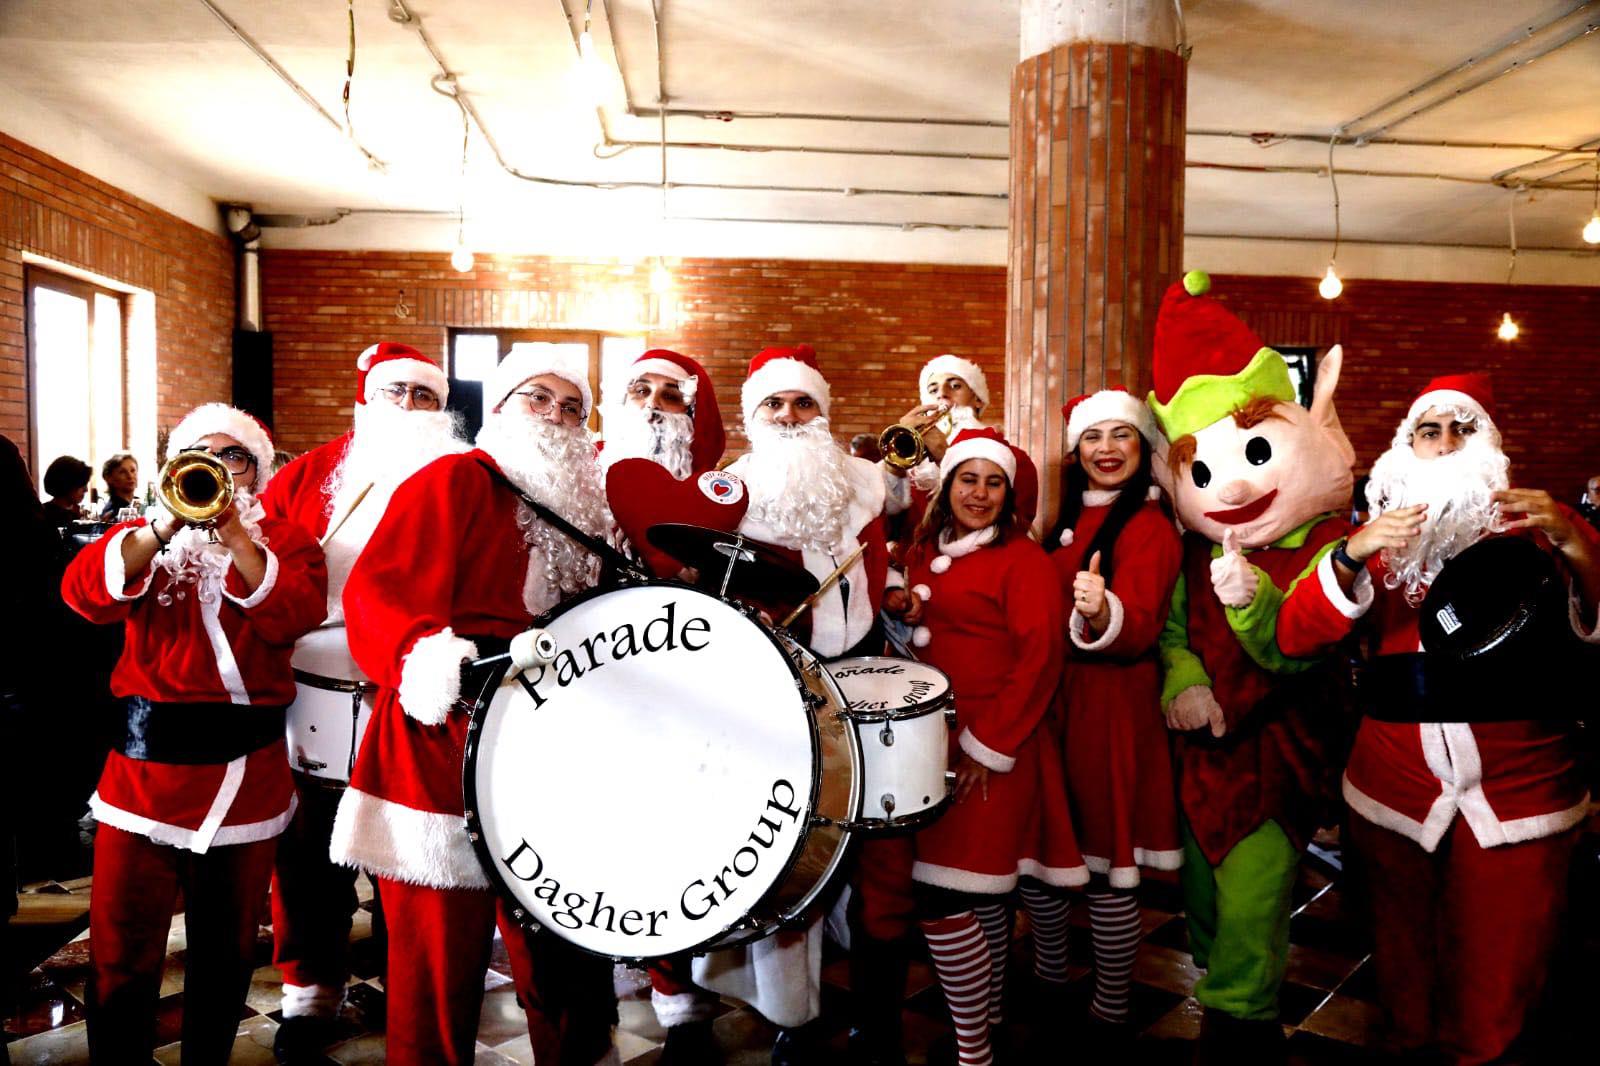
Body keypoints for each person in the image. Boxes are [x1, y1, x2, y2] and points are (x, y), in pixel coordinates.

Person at [1275, 373, 1600, 1063]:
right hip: (1392, 789)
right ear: (1408, 448)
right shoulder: (1377, 539)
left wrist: (1574, 539)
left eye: (1463, 428)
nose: (1447, 443)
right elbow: (1295, 635)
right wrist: (1352, 553)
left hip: (1520, 792)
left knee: (1501, 984)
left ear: (1490, 443)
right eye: (1431, 431)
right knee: (1403, 980)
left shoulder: (1540, 530)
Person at [328, 349, 619, 1066]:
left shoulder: (591, 509)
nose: (555, 417)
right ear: (499, 407)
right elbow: (377, 590)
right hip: (444, 736)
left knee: (564, 955)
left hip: (552, 745)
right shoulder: (454, 478)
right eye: (537, 398)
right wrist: (427, 658)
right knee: (435, 966)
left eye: (571, 407)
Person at [60, 404, 328, 1065]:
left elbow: (293, 614)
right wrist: (162, 525)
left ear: (257, 472)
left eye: (235, 456)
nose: (219, 467)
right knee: (121, 950)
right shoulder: (144, 538)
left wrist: (235, 534)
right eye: (201, 454)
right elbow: (84, 596)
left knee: (226, 951)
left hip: (245, 772)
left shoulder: (286, 541)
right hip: (141, 773)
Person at [1146, 273, 1358, 1062]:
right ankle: (1224, 989)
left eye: (1255, 453)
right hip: (1203, 758)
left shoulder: (1326, 547)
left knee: (1255, 896)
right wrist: (1185, 681)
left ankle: (1242, 1024)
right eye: (1200, 474)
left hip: (1280, 754)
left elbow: (1302, 640)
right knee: (1205, 895)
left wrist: (1256, 601)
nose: (1229, 485)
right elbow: (1172, 633)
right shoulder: (1189, 554)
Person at [258, 342, 467, 1060]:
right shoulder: (307, 475)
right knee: (307, 856)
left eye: (424, 395)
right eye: (393, 391)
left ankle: (406, 985)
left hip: (418, 696)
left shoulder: (465, 476)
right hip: (312, 693)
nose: (408, 405)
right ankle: (310, 991)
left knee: (411, 854)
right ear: (364, 399)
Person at [695, 344, 891, 1063]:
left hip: (861, 679)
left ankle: (868, 1005)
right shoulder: (732, 493)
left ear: (823, 412)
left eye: (802, 402)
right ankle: (791, 1016)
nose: (788, 415)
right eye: (773, 404)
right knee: (788, 850)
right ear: (754, 415)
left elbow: (888, 552)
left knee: (866, 853)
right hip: (775, 690)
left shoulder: (863, 484)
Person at [887, 427, 1082, 1066]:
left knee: (947, 897)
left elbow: (1041, 659)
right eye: (968, 479)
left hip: (997, 742)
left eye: (993, 482)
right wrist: (907, 610)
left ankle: (973, 1051)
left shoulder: (1023, 560)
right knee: (983, 892)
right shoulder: (927, 547)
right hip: (933, 742)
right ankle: (988, 1021)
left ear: (1009, 494)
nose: (979, 493)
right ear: (947, 486)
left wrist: (985, 746)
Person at [596, 348, 729, 1063]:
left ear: (694, 413)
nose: (652, 404)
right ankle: (598, 966)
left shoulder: (723, 490)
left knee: (678, 838)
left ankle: (680, 999)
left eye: (671, 395)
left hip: (687, 691)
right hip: (593, 689)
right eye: (638, 389)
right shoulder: (580, 475)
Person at [1046, 390, 1183, 1043]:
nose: (1105, 448)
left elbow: (1143, 624)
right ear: (1076, 451)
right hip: (1057, 706)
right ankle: (1048, 980)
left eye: (1119, 435)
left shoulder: (1150, 526)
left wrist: (1103, 612)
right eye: (1092, 436)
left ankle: (1110, 1005)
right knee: (1049, 853)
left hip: (1110, 710)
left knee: (1107, 867)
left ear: (1142, 446)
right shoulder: (1065, 518)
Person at [43, 455, 93, 526]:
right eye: (82, 484)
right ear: (67, 484)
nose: (86, 490)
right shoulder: (42, 516)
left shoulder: (79, 515)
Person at [98, 451, 139, 519]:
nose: (130, 476)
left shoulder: (137, 505)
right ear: (109, 478)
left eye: (133, 470)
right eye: (122, 472)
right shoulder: (112, 513)